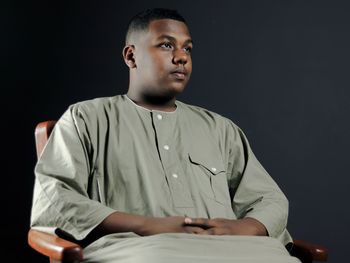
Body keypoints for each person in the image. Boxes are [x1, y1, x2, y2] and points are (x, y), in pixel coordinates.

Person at [30, 8, 300, 263]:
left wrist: (245, 227)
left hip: (230, 248)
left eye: (188, 48)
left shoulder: (220, 129)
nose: (181, 56)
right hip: (134, 248)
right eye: (167, 45)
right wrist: (147, 225)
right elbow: (57, 198)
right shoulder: (86, 119)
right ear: (131, 56)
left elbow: (270, 199)